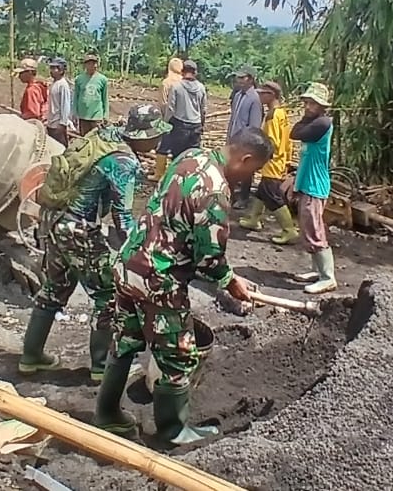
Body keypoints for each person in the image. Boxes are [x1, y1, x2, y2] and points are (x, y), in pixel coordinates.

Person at [93, 128, 271, 444]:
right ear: (245, 159)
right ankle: (173, 432)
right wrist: (232, 283)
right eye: (253, 170)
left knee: (126, 339)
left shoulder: (192, 155)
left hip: (128, 264)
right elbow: (209, 258)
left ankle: (106, 414)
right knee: (179, 355)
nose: (250, 179)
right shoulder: (216, 192)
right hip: (158, 280)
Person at [19, 105, 169, 383]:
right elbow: (123, 216)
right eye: (156, 136)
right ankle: (101, 367)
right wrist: (141, 251)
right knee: (107, 295)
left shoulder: (106, 137)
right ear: (143, 135)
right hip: (78, 229)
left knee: (54, 288)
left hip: (53, 220)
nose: (159, 141)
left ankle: (30, 357)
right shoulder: (124, 162)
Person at [287, 82, 337, 294]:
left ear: (322, 106)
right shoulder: (315, 121)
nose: (307, 107)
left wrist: (305, 121)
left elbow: (296, 133)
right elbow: (296, 130)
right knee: (309, 227)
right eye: (306, 103)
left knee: (314, 230)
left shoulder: (323, 123)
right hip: (308, 182)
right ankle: (317, 270)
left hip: (315, 185)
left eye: (312, 103)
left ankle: (328, 277)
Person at [238, 81, 299, 244]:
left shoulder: (272, 115)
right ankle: (253, 218)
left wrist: (262, 156)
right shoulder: (282, 113)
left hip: (272, 162)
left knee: (272, 195)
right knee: (262, 192)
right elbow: (287, 141)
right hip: (279, 161)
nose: (259, 96)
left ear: (271, 95)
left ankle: (289, 229)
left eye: (262, 93)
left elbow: (272, 142)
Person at [154, 59, 206, 182]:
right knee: (192, 155)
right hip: (196, 125)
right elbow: (203, 110)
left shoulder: (176, 87)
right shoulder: (201, 88)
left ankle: (175, 181)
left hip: (180, 125)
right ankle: (189, 180)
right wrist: (201, 125)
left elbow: (171, 108)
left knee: (177, 156)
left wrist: (166, 124)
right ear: (196, 72)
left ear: (183, 72)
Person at [227, 65, 264, 209]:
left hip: (245, 142)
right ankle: (230, 196)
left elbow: (254, 125)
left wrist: (248, 145)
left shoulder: (254, 99)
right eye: (238, 77)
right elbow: (233, 119)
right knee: (231, 168)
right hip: (234, 139)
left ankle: (243, 198)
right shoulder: (237, 95)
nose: (239, 80)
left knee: (246, 171)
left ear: (250, 79)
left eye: (243, 78)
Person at [73, 54, 110, 137]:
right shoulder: (79, 79)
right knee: (84, 140)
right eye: (89, 63)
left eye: (94, 63)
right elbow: (76, 97)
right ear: (85, 65)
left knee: (97, 140)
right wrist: (74, 112)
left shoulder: (102, 79)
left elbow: (105, 98)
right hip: (83, 116)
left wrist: (106, 115)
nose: (92, 66)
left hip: (96, 116)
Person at [44, 57, 74, 145]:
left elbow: (65, 105)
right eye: (51, 68)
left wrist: (63, 123)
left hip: (58, 124)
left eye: (54, 68)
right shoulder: (54, 84)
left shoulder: (63, 85)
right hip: (51, 122)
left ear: (61, 70)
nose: (51, 70)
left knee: (60, 148)